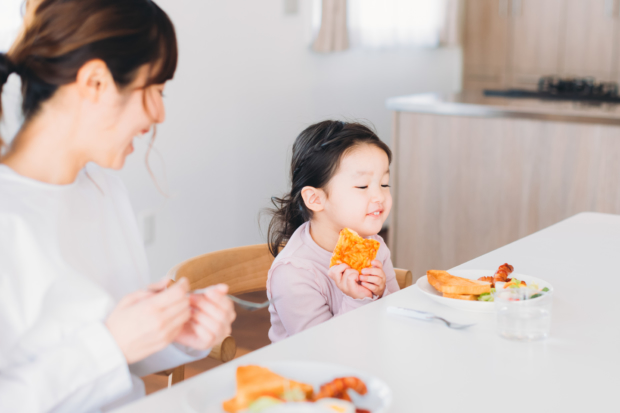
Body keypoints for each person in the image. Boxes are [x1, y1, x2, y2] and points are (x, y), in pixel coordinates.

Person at [0, 1, 235, 412]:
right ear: (95, 83)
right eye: (155, 90)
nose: (159, 113)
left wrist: (177, 335)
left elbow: (120, 360)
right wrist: (110, 344)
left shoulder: (104, 189)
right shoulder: (9, 217)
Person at [266, 120, 400, 342]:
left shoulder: (372, 244)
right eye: (363, 186)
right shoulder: (294, 273)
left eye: (384, 184)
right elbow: (322, 349)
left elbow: (396, 314)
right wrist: (357, 300)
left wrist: (381, 292)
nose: (379, 196)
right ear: (316, 199)